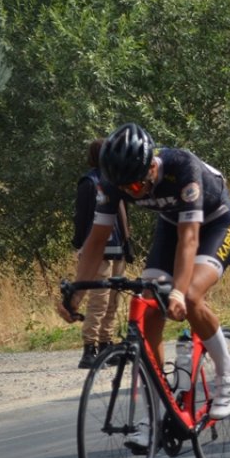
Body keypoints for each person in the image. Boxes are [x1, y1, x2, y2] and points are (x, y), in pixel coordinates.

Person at [59, 123, 230, 440]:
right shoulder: (113, 180)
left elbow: (190, 241)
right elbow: (95, 241)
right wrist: (77, 294)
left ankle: (228, 372)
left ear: (151, 166)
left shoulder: (182, 167)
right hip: (171, 226)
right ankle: (157, 411)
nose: (134, 192)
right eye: (126, 189)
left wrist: (177, 291)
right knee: (148, 310)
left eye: (137, 186)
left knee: (190, 297)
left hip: (216, 223)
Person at [72, 138, 132, 369]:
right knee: (99, 299)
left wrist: (128, 243)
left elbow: (123, 212)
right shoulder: (89, 182)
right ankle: (89, 348)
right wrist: (80, 244)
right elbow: (82, 217)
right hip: (99, 251)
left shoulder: (117, 180)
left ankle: (107, 343)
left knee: (114, 299)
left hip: (117, 247)